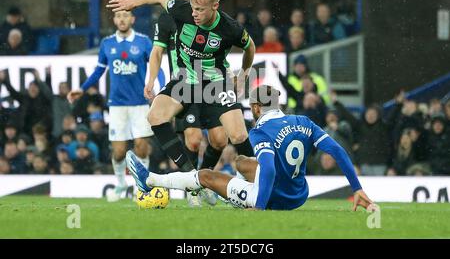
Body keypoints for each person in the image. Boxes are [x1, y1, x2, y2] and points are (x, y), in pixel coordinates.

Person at [107, 0, 256, 200]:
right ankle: (192, 176)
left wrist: (243, 74)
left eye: (200, 9)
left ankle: (256, 186)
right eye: (193, 7)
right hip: (186, 78)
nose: (194, 13)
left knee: (238, 134)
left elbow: (250, 46)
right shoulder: (182, 9)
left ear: (215, 6)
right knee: (155, 116)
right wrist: (135, 2)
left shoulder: (230, 28)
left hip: (216, 82)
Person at [125, 85, 377, 211]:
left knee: (206, 176)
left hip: (273, 198)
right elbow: (338, 151)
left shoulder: (261, 131)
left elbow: (267, 168)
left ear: (256, 108)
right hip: (298, 194)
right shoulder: (303, 121)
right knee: (242, 162)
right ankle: (236, 194)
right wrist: (357, 188)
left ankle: (150, 179)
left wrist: (258, 207)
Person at [151, 0, 228, 206]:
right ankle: (193, 185)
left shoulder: (206, 14)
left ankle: (202, 181)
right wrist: (151, 80)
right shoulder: (167, 18)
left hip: (212, 84)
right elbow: (157, 52)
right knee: (193, 139)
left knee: (219, 140)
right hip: (184, 85)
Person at [67, 9, 154, 202]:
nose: (122, 19)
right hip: (117, 105)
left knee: (141, 147)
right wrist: (82, 88)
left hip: (140, 103)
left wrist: (159, 86)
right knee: (119, 151)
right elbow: (99, 70)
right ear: (114, 20)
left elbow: (156, 65)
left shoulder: (144, 42)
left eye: (126, 15)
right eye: (119, 16)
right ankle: (121, 184)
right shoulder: (107, 43)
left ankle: (143, 187)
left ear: (133, 19)